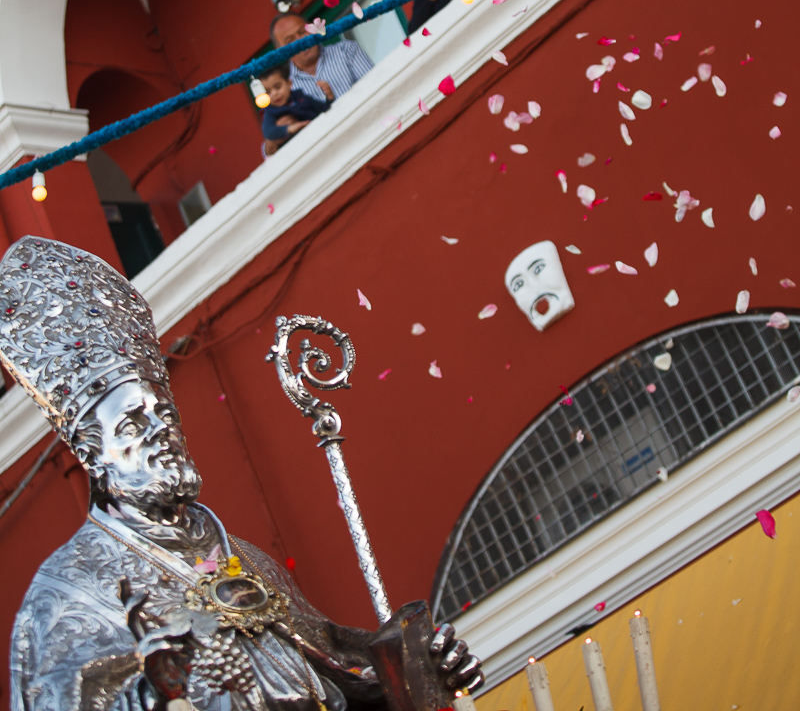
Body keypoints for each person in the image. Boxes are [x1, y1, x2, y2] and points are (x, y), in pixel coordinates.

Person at [1, 236, 484, 711]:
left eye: (165, 414)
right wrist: (154, 696)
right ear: (92, 452)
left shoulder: (243, 558)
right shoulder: (67, 595)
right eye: (133, 422)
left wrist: (414, 670)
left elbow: (336, 679)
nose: (160, 432)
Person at [265, 14, 374, 156]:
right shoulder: (285, 88)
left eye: (302, 32)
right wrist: (273, 141)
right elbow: (270, 148)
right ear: (280, 50)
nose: (300, 41)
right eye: (290, 40)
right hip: (334, 155)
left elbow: (376, 86)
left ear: (312, 28)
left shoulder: (347, 51)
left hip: (371, 129)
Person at [259, 63, 334, 145]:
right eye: (268, 92)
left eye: (278, 87)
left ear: (289, 84)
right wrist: (288, 129)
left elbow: (322, 109)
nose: (274, 94)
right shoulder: (271, 111)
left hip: (322, 134)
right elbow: (268, 132)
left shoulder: (301, 97)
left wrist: (329, 97)